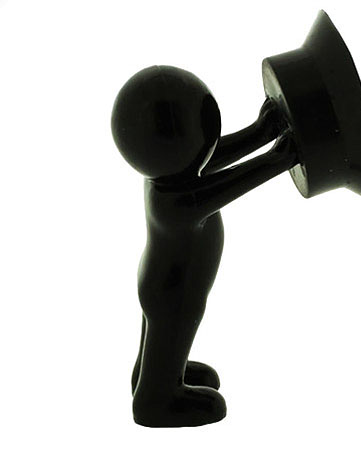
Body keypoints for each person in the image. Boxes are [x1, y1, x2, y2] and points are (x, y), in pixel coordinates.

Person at [111, 65, 297, 427]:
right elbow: (230, 184)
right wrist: (279, 159)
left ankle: (151, 375)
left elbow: (209, 159)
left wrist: (262, 133)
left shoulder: (167, 176)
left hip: (161, 280)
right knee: (174, 327)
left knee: (162, 336)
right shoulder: (175, 204)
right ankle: (156, 401)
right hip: (176, 291)